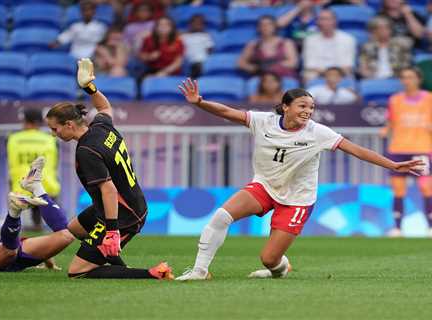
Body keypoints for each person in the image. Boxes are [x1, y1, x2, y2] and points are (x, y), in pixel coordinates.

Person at [175, 78, 424, 280]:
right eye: (302, 106)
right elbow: (229, 112)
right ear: (286, 106)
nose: (308, 111)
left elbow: (357, 150)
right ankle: (199, 271)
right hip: (264, 186)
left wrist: (393, 164)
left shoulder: (318, 132)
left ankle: (281, 267)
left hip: (297, 199)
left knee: (269, 259)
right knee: (221, 216)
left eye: (311, 107)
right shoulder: (263, 121)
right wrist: (199, 102)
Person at [45, 58, 173, 280]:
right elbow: (104, 106)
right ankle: (115, 262)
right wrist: (89, 88)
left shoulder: (86, 151)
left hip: (124, 214)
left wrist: (112, 231)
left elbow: (109, 190)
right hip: (118, 204)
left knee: (77, 272)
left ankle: (153, 273)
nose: (53, 134)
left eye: (55, 129)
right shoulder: (101, 126)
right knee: (75, 229)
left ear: (69, 125)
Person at [0, 157, 74, 272]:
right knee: (66, 235)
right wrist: (50, 264)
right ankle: (35, 188)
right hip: (13, 250)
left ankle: (16, 209)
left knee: (10, 251)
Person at [380, 67, 432, 237]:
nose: (407, 81)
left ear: (419, 79)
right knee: (398, 190)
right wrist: (385, 130)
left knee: (426, 188)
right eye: (404, 77)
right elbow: (391, 121)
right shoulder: (395, 100)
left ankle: (430, 227)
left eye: (410, 77)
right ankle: (397, 228)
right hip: (398, 149)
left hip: (422, 149)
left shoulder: (429, 99)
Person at [7, 108, 61, 231]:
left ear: (25, 120)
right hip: (47, 186)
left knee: (14, 218)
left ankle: (13, 230)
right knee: (56, 225)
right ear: (40, 122)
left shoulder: (13, 139)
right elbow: (55, 162)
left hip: (20, 187)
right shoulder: (50, 139)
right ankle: (57, 230)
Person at [302, 9, 356, 83]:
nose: (324, 22)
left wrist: (332, 75)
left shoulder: (348, 39)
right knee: (307, 76)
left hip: (341, 75)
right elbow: (310, 65)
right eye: (321, 19)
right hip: (317, 75)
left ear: (335, 21)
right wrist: (328, 74)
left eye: (327, 19)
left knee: (349, 78)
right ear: (317, 22)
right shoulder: (310, 40)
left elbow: (348, 65)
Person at [181, 14, 214, 79]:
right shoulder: (183, 36)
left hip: (201, 60)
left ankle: (194, 79)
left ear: (203, 25)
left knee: (199, 63)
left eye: (200, 23)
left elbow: (210, 50)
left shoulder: (205, 36)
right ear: (190, 24)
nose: (197, 25)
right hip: (187, 60)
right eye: (195, 23)